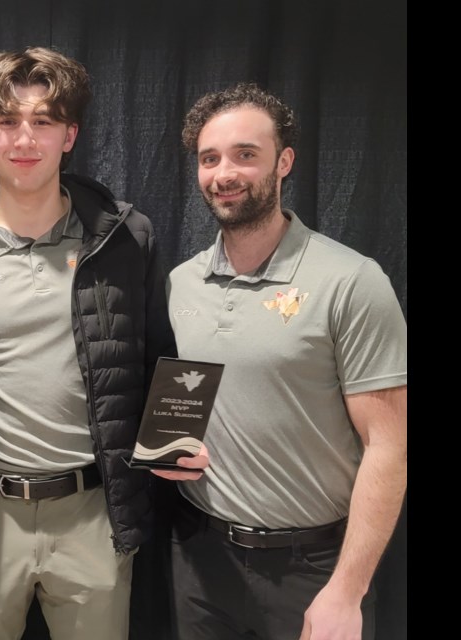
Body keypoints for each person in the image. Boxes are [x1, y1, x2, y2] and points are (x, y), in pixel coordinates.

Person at [0, 47, 205, 640]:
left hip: (95, 514)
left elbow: (156, 358)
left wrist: (176, 439)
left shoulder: (124, 237)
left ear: (69, 135)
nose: (25, 138)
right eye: (6, 121)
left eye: (42, 121)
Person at [167, 83, 407, 640]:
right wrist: (168, 455)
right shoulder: (182, 282)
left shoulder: (351, 280)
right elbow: (186, 403)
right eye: (210, 159)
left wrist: (347, 592)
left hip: (314, 568)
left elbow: (389, 445)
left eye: (245, 155)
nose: (225, 173)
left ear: (284, 162)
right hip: (200, 561)